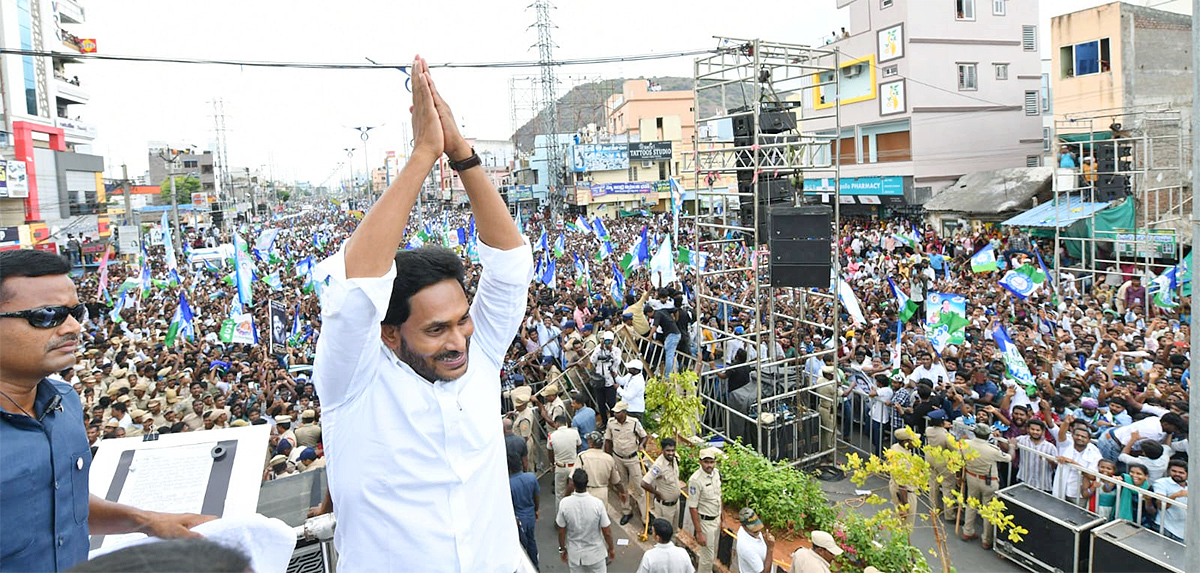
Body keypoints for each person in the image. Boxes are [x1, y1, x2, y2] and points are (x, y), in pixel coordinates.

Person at [310, 56, 532, 572]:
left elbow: (511, 266)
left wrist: (462, 156)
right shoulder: (352, 383)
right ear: (388, 334)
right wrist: (422, 156)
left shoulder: (480, 358)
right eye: (435, 330)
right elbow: (357, 288)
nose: (458, 340)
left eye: (461, 320)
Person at [0, 249, 214, 571]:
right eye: (47, 315)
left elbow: (60, 506)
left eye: (77, 312)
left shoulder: (64, 403)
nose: (72, 327)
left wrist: (146, 521)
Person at [961, 423, 1010, 550]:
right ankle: (986, 539)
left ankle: (967, 531)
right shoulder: (992, 449)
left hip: (971, 476)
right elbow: (1008, 458)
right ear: (988, 435)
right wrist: (1012, 447)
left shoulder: (966, 444)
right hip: (988, 481)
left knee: (971, 504)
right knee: (988, 509)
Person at [556, 469, 615, 573]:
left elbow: (561, 530)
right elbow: (607, 532)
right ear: (587, 483)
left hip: (575, 555)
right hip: (596, 554)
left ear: (573, 484)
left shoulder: (564, 504)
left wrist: (562, 549)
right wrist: (611, 548)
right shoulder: (597, 504)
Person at [605, 400, 647, 525]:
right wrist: (609, 458)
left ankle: (645, 518)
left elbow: (644, 436)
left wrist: (642, 445)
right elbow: (608, 440)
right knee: (622, 486)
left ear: (624, 413)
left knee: (639, 487)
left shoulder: (634, 423)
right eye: (615, 412)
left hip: (633, 458)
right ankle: (626, 511)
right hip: (618, 458)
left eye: (618, 413)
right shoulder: (611, 423)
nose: (615, 415)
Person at [686, 447, 722, 573]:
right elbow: (693, 507)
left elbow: (719, 497)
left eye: (711, 462)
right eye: (706, 462)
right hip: (705, 523)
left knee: (712, 554)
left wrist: (723, 520)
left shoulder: (716, 473)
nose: (709, 465)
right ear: (700, 462)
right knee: (707, 558)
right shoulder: (695, 480)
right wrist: (699, 532)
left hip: (716, 519)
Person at [1053, 424, 1102, 506]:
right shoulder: (1067, 446)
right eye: (1077, 435)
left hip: (1079, 495)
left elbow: (1093, 476)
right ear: (1072, 436)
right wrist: (1066, 422)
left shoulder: (1094, 454)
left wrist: (1072, 463)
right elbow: (1060, 435)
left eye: (1083, 437)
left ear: (1089, 440)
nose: (1079, 438)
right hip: (1062, 489)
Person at [578, 431, 626, 512]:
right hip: (602, 493)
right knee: (601, 519)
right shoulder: (609, 459)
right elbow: (617, 481)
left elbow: (573, 480)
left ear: (590, 444)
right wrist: (622, 492)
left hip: (586, 492)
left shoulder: (582, 457)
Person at [642, 437, 682, 529]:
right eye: (668, 451)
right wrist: (657, 493)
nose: (671, 453)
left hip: (676, 504)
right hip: (665, 507)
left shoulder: (675, 458)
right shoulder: (658, 466)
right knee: (665, 533)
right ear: (662, 450)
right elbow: (644, 483)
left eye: (673, 450)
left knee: (675, 531)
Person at [923, 410, 957, 521]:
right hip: (942, 460)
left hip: (930, 457)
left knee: (933, 484)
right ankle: (949, 514)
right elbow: (954, 449)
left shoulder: (928, 430)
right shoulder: (946, 435)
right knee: (948, 486)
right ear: (942, 422)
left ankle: (934, 508)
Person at [509, 454, 540, 568]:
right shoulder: (531, 477)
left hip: (518, 518)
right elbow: (536, 495)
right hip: (530, 515)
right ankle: (535, 565)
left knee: (521, 545)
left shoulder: (509, 484)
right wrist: (536, 510)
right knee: (531, 540)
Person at [1014, 419, 1058, 493]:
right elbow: (1010, 445)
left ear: (1043, 431)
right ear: (1028, 429)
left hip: (1043, 485)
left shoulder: (1050, 447)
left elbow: (1057, 466)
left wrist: (1048, 459)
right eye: (1032, 429)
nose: (1035, 432)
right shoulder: (1021, 439)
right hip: (1024, 480)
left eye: (1038, 430)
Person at [889, 428, 919, 528]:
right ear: (905, 442)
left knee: (899, 524)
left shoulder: (896, 447)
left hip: (895, 486)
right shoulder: (902, 459)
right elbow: (902, 485)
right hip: (906, 493)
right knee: (905, 526)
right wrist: (905, 506)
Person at [548, 415, 582, 505]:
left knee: (560, 493)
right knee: (575, 492)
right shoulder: (574, 433)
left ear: (556, 424)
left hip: (560, 466)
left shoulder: (551, 436)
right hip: (573, 466)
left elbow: (550, 452)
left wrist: (552, 464)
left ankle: (560, 516)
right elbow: (579, 445)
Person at [1151, 459, 1187, 543]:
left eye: (1181, 473)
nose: (1177, 474)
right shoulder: (1161, 483)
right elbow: (1161, 506)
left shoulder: (1193, 485)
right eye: (1174, 471)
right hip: (1165, 528)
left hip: (1184, 532)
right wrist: (1175, 495)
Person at [735, 507, 775, 573]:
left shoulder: (746, 531)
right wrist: (770, 549)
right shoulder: (747, 548)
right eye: (754, 530)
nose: (758, 530)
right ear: (743, 526)